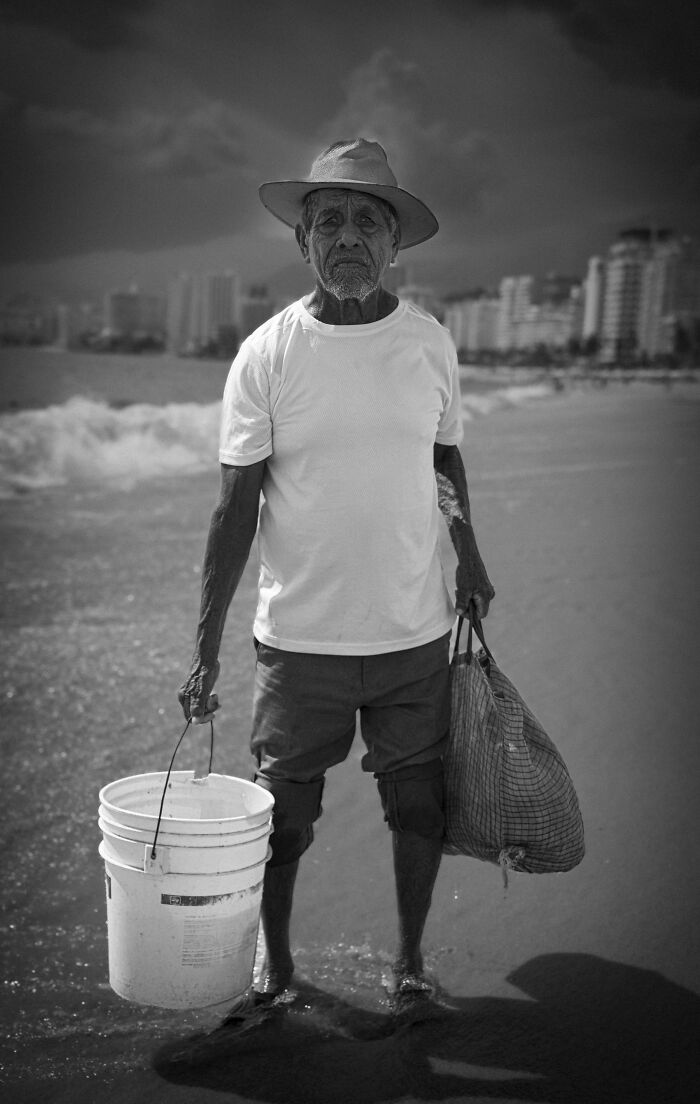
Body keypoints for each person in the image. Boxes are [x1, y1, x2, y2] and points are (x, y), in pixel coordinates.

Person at [178, 139, 494, 1014]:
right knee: (282, 824)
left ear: (396, 244)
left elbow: (444, 455)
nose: (347, 236)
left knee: (419, 808)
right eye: (329, 221)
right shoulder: (267, 355)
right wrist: (204, 651)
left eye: (366, 220)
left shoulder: (429, 344)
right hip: (299, 642)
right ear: (302, 243)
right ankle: (275, 967)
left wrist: (468, 552)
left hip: (413, 631)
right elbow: (233, 511)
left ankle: (409, 965)